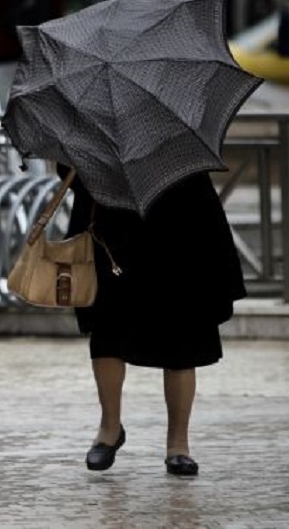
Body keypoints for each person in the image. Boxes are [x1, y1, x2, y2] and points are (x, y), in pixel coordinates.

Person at [58, 165, 246, 476]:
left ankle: (178, 445)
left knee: (183, 333)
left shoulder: (173, 122)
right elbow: (70, 174)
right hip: (110, 226)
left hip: (180, 220)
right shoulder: (88, 121)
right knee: (108, 328)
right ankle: (109, 429)